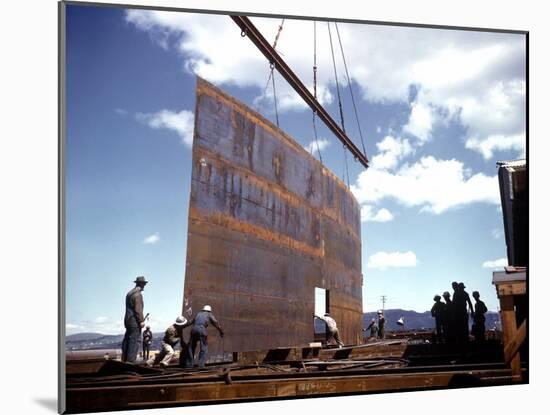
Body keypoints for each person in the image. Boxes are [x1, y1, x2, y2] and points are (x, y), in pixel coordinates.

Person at [121, 276, 148, 363]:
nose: (144, 286)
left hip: (127, 320)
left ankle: (124, 358)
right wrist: (141, 321)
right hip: (134, 321)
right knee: (135, 340)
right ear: (142, 284)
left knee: (127, 339)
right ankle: (131, 360)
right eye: (144, 284)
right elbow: (138, 309)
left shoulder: (129, 293)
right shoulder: (138, 295)